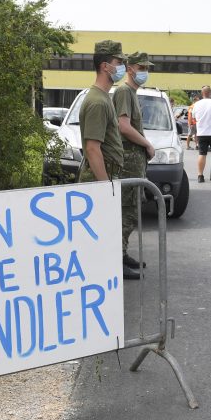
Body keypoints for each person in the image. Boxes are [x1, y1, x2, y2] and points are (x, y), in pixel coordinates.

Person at [76, 40, 131, 279]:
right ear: (106, 66)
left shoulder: (103, 97)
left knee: (100, 235)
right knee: (95, 237)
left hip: (106, 173)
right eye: (119, 63)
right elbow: (92, 148)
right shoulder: (97, 101)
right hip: (99, 176)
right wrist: (104, 187)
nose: (123, 67)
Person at [114, 51, 156, 278]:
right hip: (128, 161)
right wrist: (147, 144)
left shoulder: (131, 92)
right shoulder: (123, 91)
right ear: (129, 69)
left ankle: (122, 254)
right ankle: (116, 260)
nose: (145, 72)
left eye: (147, 68)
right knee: (126, 212)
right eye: (141, 68)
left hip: (134, 162)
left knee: (131, 212)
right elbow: (123, 126)